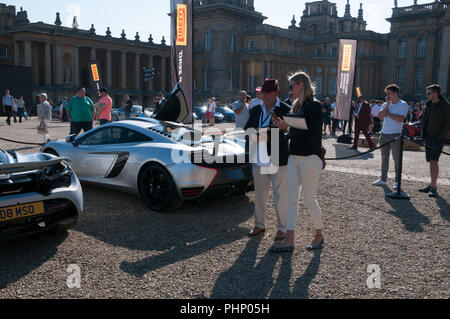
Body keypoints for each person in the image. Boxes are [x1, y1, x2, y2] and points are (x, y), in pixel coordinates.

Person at [270, 71, 325, 252]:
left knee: (309, 199)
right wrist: (285, 128)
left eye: (292, 86)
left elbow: (313, 133)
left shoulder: (314, 106)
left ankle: (319, 234)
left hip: (310, 157)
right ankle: (289, 239)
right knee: (291, 199)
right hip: (293, 157)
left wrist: (289, 127)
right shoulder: (295, 106)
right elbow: (295, 133)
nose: (289, 90)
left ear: (301, 84)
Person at [244, 78, 290, 241]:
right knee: (260, 193)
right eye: (263, 93)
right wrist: (255, 136)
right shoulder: (256, 109)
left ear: (276, 93)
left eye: (268, 93)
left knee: (280, 194)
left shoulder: (285, 109)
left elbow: (289, 133)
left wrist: (267, 136)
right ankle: (259, 224)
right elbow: (247, 129)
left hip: (278, 156)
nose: (265, 96)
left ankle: (283, 227)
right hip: (259, 155)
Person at [372, 84, 409, 190]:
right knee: (384, 158)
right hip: (384, 133)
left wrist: (389, 114)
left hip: (396, 134)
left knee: (397, 159)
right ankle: (383, 179)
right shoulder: (385, 104)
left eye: (389, 93)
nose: (387, 95)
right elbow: (380, 116)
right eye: (386, 93)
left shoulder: (403, 104)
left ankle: (397, 181)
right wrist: (387, 105)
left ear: (395, 93)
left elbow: (400, 119)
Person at [418, 84, 450, 198]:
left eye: (428, 93)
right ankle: (432, 184)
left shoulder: (445, 105)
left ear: (435, 93)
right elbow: (423, 117)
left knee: (434, 160)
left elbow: (448, 123)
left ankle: (434, 187)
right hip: (428, 136)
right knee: (431, 161)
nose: (427, 95)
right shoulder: (429, 104)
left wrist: (440, 135)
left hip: (437, 138)